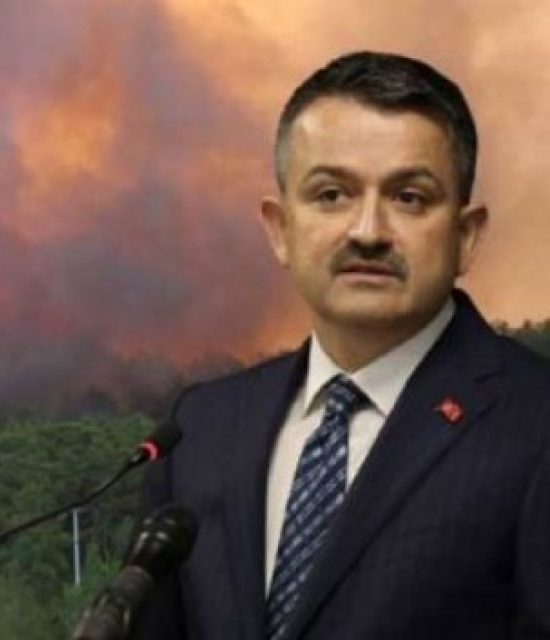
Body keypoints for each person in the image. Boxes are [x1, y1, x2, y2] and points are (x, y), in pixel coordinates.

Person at [139, 51, 550, 639]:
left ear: (465, 235)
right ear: (280, 229)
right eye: (331, 194)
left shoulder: (535, 424)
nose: (367, 232)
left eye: (409, 197)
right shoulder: (198, 431)